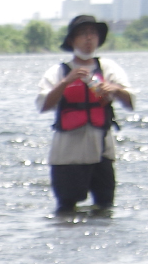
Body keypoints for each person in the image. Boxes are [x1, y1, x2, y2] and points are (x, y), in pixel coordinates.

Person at [37, 14, 135, 213]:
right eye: (83, 34)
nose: (89, 39)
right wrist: (66, 81)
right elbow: (44, 105)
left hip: (101, 151)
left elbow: (130, 102)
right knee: (66, 210)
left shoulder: (108, 68)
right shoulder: (58, 71)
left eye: (93, 34)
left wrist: (114, 90)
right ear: (72, 40)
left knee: (105, 208)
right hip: (68, 154)